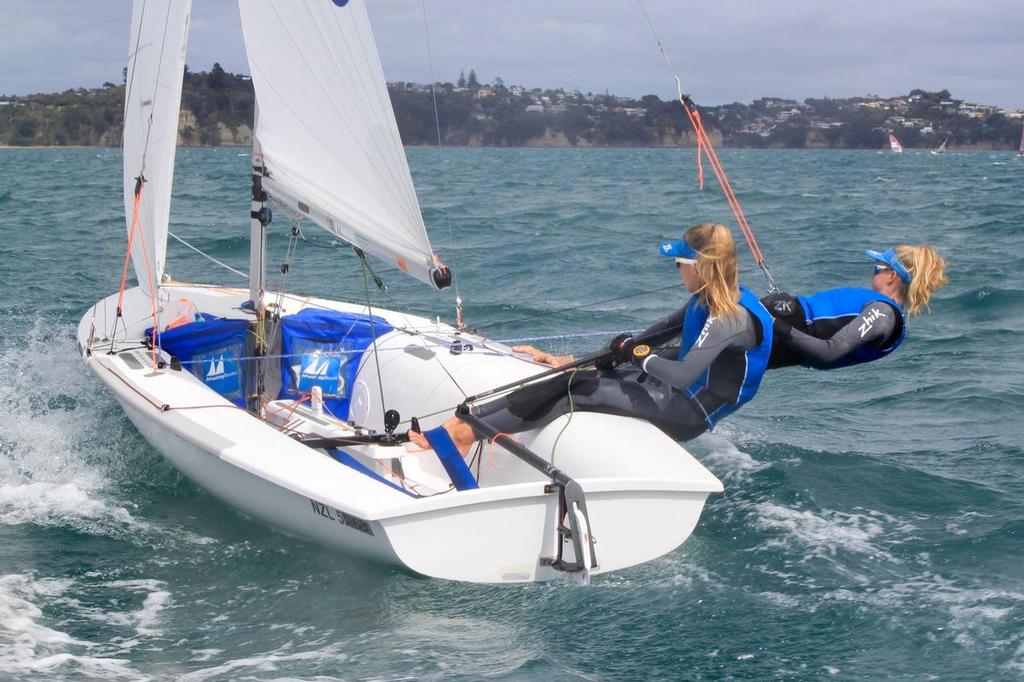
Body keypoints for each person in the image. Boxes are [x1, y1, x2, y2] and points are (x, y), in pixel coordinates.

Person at [409, 222, 776, 453]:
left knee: (577, 388)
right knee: (576, 374)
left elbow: (681, 374)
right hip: (671, 392)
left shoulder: (731, 316)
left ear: (701, 268)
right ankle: (460, 423)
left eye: (680, 265)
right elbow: (652, 335)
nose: (678, 271)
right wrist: (600, 355)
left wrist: (638, 354)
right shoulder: (704, 298)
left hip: (689, 412)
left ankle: (463, 436)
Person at [761, 245, 947, 369]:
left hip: (777, 331)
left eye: (878, 267)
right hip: (782, 330)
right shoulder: (879, 309)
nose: (873, 272)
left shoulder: (883, 314)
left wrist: (773, 322)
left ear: (891, 276)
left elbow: (829, 352)